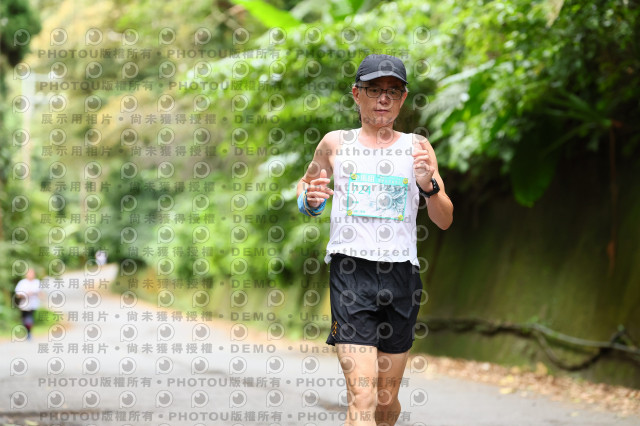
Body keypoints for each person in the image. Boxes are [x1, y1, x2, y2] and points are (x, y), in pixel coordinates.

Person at [297, 54, 453, 426]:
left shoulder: (417, 148)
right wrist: (310, 201)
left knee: (385, 401)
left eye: (393, 91)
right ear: (357, 94)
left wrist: (428, 186)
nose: (383, 98)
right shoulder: (335, 143)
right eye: (373, 90)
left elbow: (444, 219)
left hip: (401, 277)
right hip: (351, 273)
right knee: (363, 397)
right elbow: (307, 186)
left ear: (403, 98)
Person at [15, 268, 42, 340]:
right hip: (24, 304)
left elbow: (40, 293)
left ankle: (29, 333)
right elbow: (18, 294)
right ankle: (27, 331)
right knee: (24, 318)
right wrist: (25, 294)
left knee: (29, 318)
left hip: (33, 304)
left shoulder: (37, 282)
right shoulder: (22, 283)